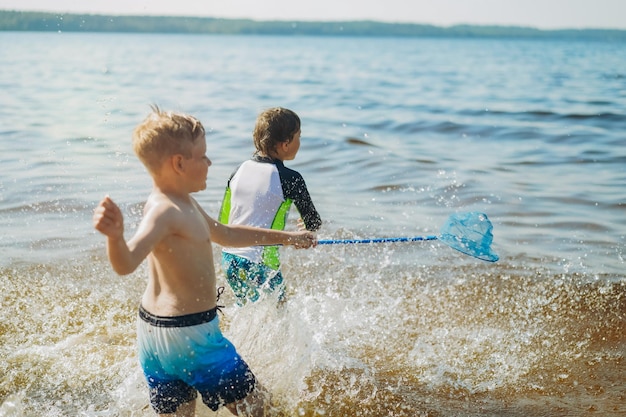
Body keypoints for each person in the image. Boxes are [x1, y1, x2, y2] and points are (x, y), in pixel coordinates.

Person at [92, 106, 316, 417]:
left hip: (155, 339)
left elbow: (226, 234)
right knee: (259, 408)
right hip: (192, 335)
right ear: (180, 163)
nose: (210, 162)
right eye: (203, 156)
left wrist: (288, 238)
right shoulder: (164, 210)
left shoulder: (181, 203)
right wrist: (115, 238)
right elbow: (126, 263)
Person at [219, 107, 322, 305]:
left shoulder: (237, 171)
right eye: (298, 137)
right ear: (285, 144)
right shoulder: (291, 179)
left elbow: (224, 221)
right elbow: (313, 222)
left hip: (229, 259)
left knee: (249, 312)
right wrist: (304, 232)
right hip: (261, 263)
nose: (300, 142)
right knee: (279, 315)